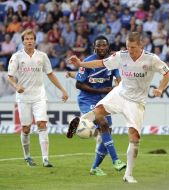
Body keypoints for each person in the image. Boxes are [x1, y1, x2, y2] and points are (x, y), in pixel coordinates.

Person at [67, 32, 169, 183]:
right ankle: (80, 122)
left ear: (141, 45)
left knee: (134, 138)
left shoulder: (151, 58)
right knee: (98, 112)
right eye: (128, 47)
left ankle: (128, 175)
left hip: (136, 102)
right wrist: (81, 64)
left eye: (133, 47)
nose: (130, 50)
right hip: (120, 93)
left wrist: (160, 89)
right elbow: (101, 63)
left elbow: (167, 73)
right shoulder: (122, 55)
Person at [7, 29, 68, 167]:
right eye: (26, 39)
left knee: (42, 124)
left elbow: (50, 74)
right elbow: (9, 77)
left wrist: (63, 89)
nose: (29, 41)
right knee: (26, 128)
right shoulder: (16, 57)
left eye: (31, 38)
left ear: (35, 40)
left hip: (39, 96)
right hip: (23, 97)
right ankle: (27, 156)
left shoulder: (42, 56)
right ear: (23, 41)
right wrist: (16, 87)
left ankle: (45, 159)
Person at [66, 35, 125, 176]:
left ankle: (94, 168)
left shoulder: (112, 62)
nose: (101, 48)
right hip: (88, 99)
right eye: (99, 45)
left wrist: (119, 86)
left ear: (108, 46)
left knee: (107, 134)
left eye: (104, 45)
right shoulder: (87, 62)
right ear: (94, 47)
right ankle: (116, 160)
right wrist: (101, 90)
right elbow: (79, 84)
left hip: (105, 100)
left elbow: (119, 80)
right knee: (103, 123)